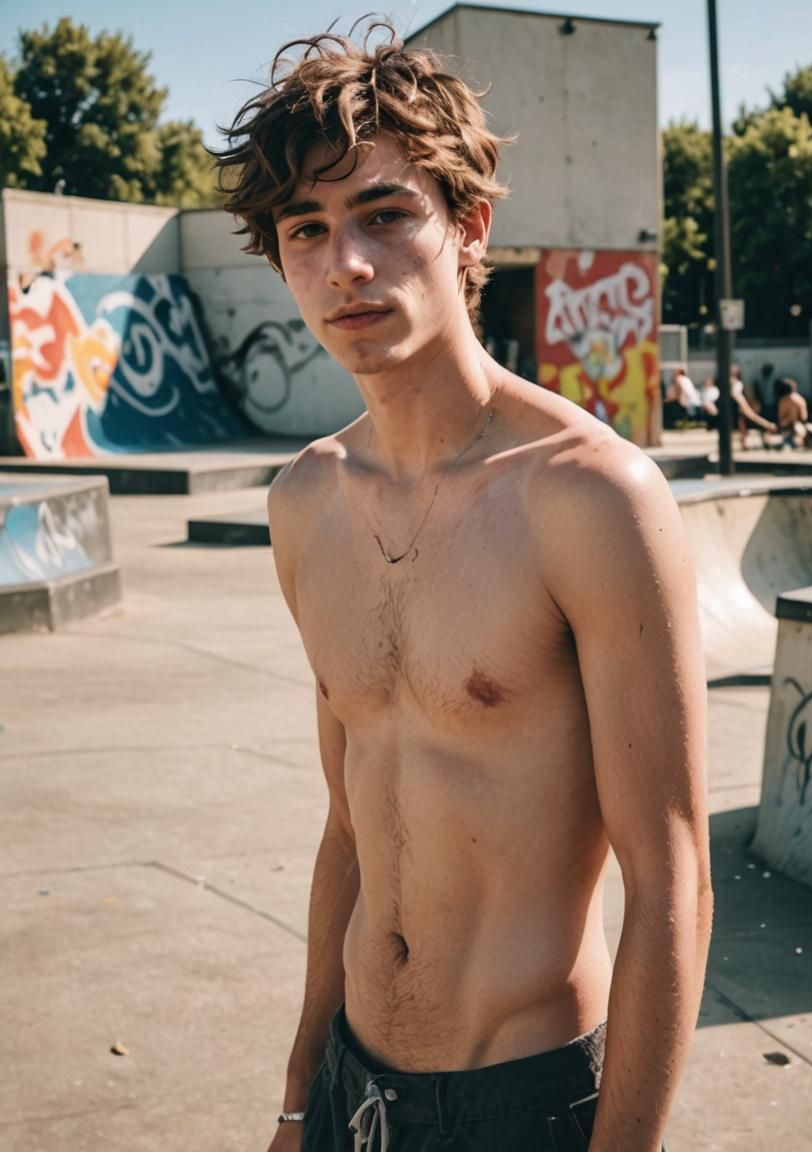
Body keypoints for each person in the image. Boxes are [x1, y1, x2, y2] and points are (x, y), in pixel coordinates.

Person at [216, 24, 712, 1152]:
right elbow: (348, 826)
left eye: (385, 215)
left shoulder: (589, 499)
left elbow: (670, 876)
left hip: (526, 1101)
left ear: (466, 224)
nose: (346, 264)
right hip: (354, 1086)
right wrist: (299, 1098)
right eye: (307, 230)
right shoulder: (304, 502)